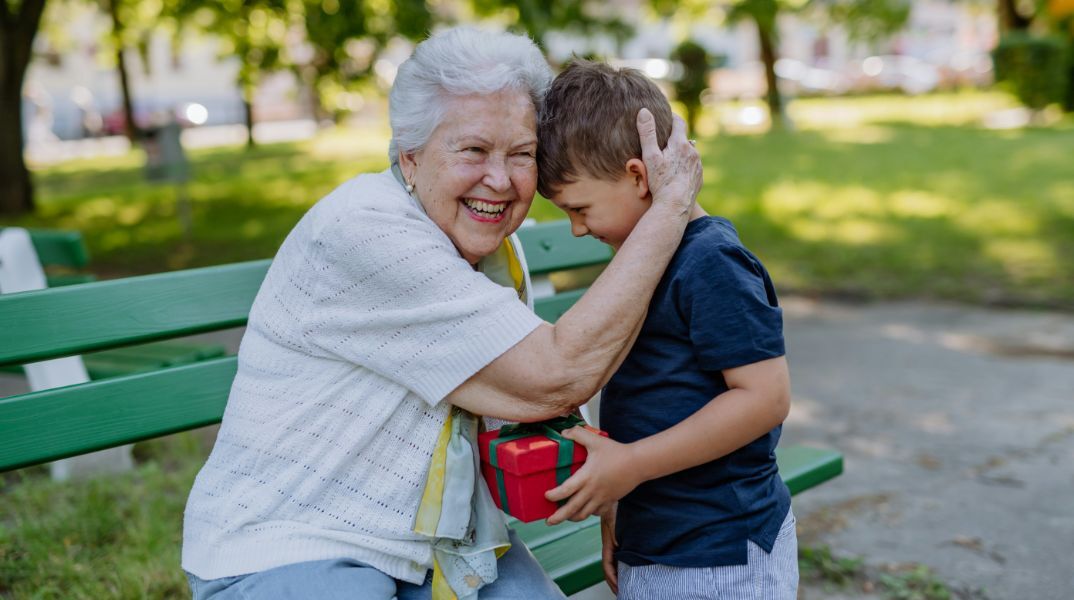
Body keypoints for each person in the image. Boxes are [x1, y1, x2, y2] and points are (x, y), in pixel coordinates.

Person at [180, 29, 702, 600]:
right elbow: (552, 378)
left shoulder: (491, 250)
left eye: (521, 154)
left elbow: (543, 401)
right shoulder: (368, 233)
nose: (499, 181)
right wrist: (669, 207)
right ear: (410, 155)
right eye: (474, 150)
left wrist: (614, 508)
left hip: (443, 548)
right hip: (299, 543)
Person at [537, 60, 797, 599]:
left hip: (719, 549)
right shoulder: (646, 262)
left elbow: (765, 398)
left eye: (579, 208)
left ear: (637, 176)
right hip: (660, 540)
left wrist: (631, 465)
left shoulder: (711, 263)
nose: (577, 228)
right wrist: (619, 508)